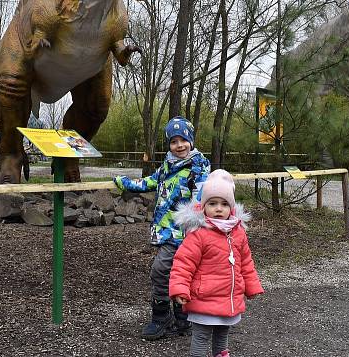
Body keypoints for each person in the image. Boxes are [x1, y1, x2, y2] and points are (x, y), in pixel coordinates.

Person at [113, 116, 210, 340]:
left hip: (184, 232)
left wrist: (195, 227)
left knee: (161, 271)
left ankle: (161, 317)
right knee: (177, 273)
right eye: (174, 141)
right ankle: (181, 319)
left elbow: (202, 198)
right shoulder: (167, 166)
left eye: (183, 140)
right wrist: (125, 182)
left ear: (191, 141)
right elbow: (149, 182)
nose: (179, 145)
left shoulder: (198, 168)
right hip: (166, 230)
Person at [169, 169, 264, 357]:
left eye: (224, 204)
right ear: (203, 206)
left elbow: (246, 262)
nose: (218, 208)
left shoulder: (238, 233)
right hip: (203, 298)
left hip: (228, 299)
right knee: (201, 336)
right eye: (212, 203)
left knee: (222, 335)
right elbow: (183, 263)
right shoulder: (198, 234)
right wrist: (180, 288)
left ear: (232, 208)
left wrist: (252, 286)